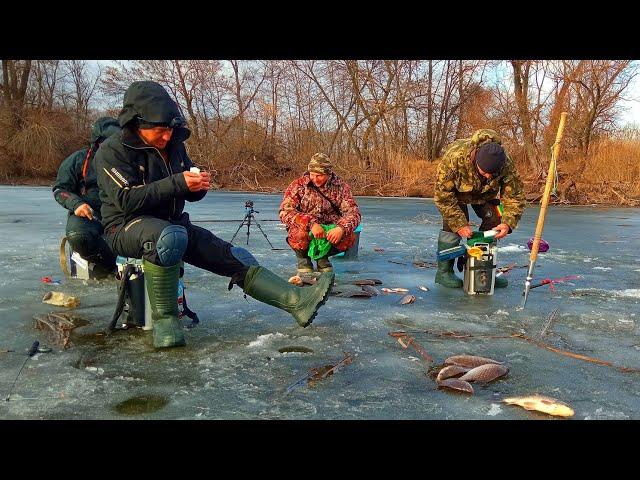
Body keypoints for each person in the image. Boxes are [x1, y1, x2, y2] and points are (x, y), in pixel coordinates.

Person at [95, 80, 334, 349]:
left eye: (170, 130)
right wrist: (179, 183)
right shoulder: (112, 151)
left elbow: (184, 188)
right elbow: (126, 200)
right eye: (159, 130)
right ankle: (166, 323)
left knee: (235, 257)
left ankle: (296, 301)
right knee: (170, 237)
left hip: (171, 224)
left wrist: (197, 188)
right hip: (124, 227)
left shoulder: (174, 144)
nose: (166, 137)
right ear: (136, 123)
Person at [433, 129, 526, 288]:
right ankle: (444, 272)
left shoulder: (506, 163)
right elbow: (443, 196)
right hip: (457, 195)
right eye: (485, 172)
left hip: (486, 195)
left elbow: (515, 196)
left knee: (496, 219)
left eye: (493, 174)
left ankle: (484, 271)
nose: (489, 177)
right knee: (452, 226)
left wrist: (508, 223)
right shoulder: (454, 158)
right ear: (475, 159)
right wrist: (459, 223)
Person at [53, 117, 121, 277]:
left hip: (119, 216)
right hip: (90, 215)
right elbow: (60, 190)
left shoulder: (127, 160)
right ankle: (111, 267)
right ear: (97, 142)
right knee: (79, 236)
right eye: (106, 141)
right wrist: (76, 204)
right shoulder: (78, 159)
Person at [279, 153, 361, 273]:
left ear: (328, 174)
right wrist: (311, 224)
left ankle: (322, 258)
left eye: (320, 175)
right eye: (312, 174)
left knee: (349, 237)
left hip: (329, 229)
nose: (315, 179)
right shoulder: (298, 185)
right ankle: (303, 260)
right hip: (307, 230)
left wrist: (341, 228)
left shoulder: (341, 187)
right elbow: (285, 212)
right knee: (299, 233)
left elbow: (354, 213)